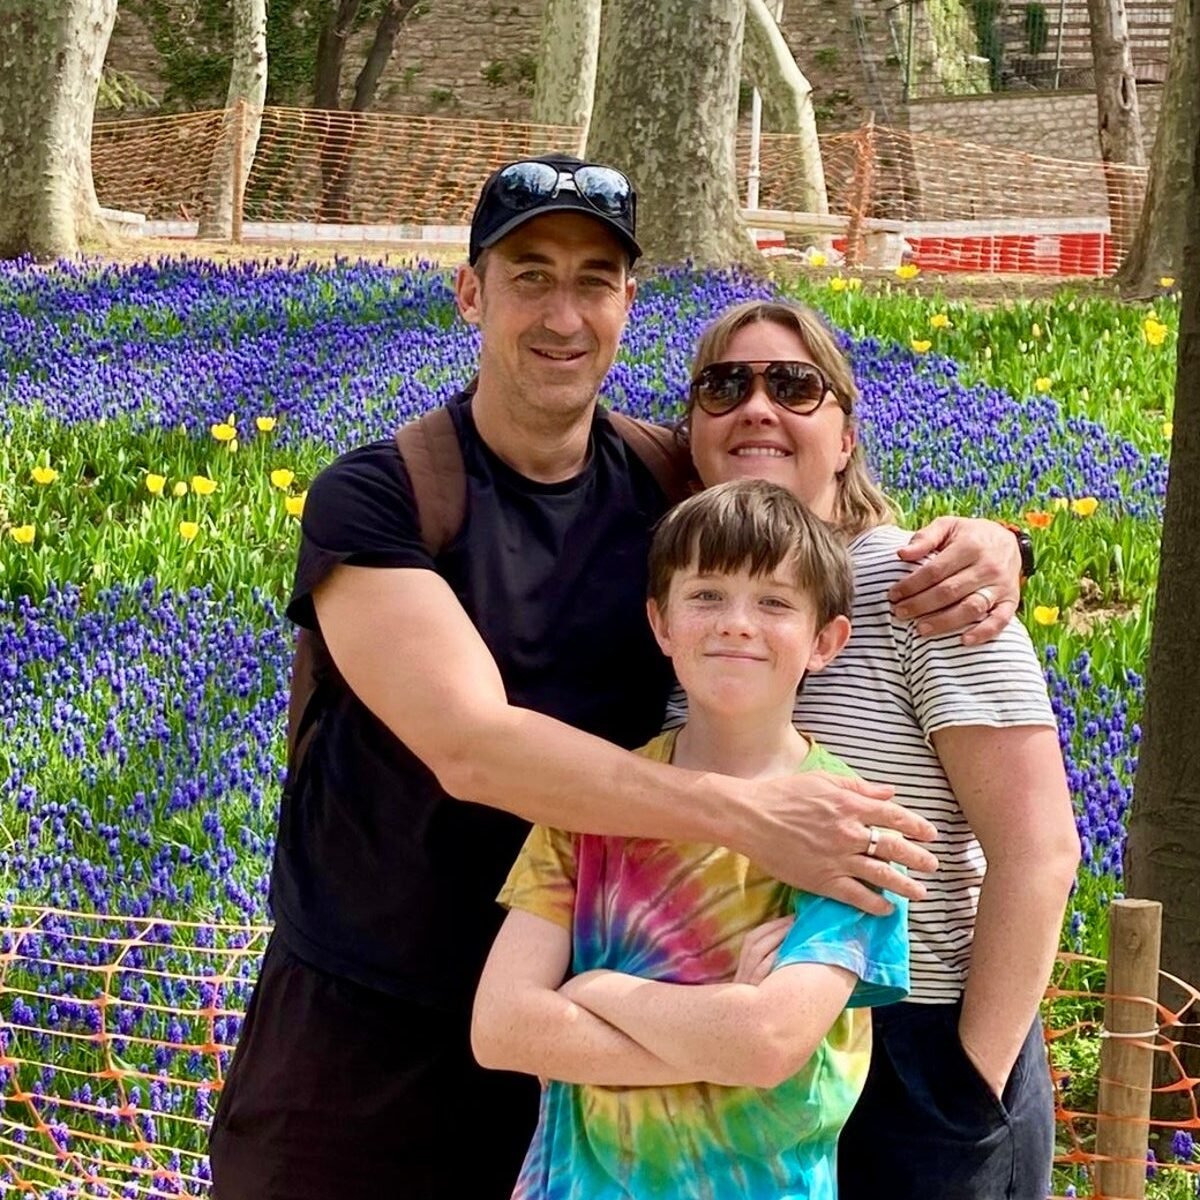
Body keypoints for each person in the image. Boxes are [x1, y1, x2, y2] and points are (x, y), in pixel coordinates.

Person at [208, 155, 1026, 1199]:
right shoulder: (385, 496)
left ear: (628, 304)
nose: (564, 314)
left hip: (598, 1050)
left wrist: (998, 546)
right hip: (368, 1032)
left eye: (594, 281)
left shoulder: (664, 479)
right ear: (471, 294)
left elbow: (802, 515)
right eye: (530, 276)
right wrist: (750, 818)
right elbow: (473, 747)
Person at [671, 298, 1080, 1200]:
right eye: (724, 386)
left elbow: (1040, 853)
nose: (757, 407)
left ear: (847, 434)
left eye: (794, 385)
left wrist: (968, 1083)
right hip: (736, 1046)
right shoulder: (691, 605)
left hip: (915, 1048)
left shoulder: (925, 588)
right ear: (692, 432)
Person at [472, 478, 911, 1200]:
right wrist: (716, 1029)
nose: (737, 624)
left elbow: (767, 1043)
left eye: (774, 602)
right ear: (661, 624)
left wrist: (595, 988)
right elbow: (501, 1028)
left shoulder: (850, 828)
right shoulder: (594, 802)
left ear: (825, 641)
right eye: (706, 595)